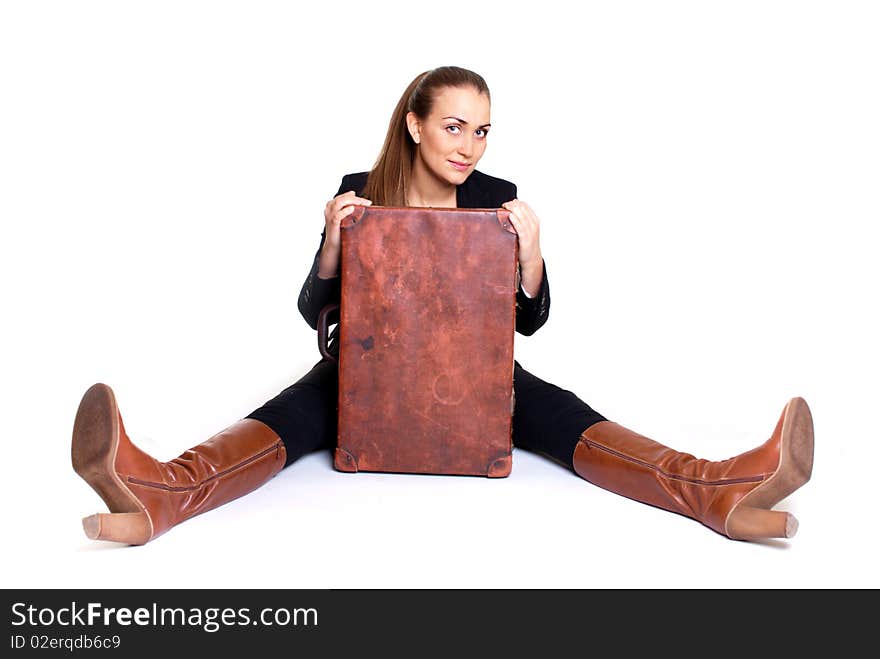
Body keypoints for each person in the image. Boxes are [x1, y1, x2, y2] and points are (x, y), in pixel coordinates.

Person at [71, 66, 814, 546]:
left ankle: (718, 489)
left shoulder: (497, 199)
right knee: (279, 421)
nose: (470, 146)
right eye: (454, 126)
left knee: (574, 420)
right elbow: (315, 310)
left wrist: (531, 257)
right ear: (415, 123)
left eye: (482, 129)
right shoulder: (362, 187)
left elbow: (528, 321)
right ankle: (158, 493)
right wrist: (332, 244)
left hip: (478, 378)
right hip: (364, 374)